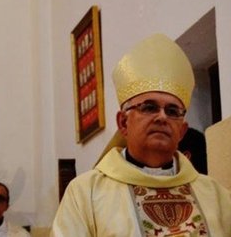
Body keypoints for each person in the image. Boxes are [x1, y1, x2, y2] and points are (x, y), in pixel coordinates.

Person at [51, 34, 231, 236]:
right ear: (123, 123)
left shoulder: (217, 197)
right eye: (149, 107)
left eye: (172, 111)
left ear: (182, 131)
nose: (162, 117)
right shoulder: (86, 193)